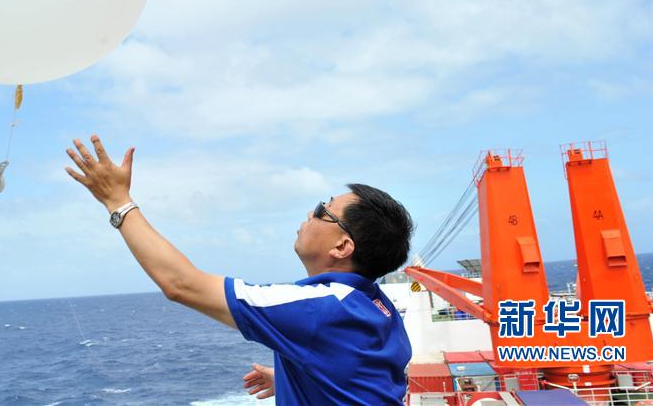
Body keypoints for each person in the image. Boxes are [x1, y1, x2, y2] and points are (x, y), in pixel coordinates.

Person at [65, 135, 415, 405]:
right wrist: (298, 376)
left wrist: (117, 200)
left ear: (342, 247)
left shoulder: (321, 308)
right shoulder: (378, 307)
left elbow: (181, 284)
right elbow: (361, 376)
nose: (310, 213)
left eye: (322, 209)